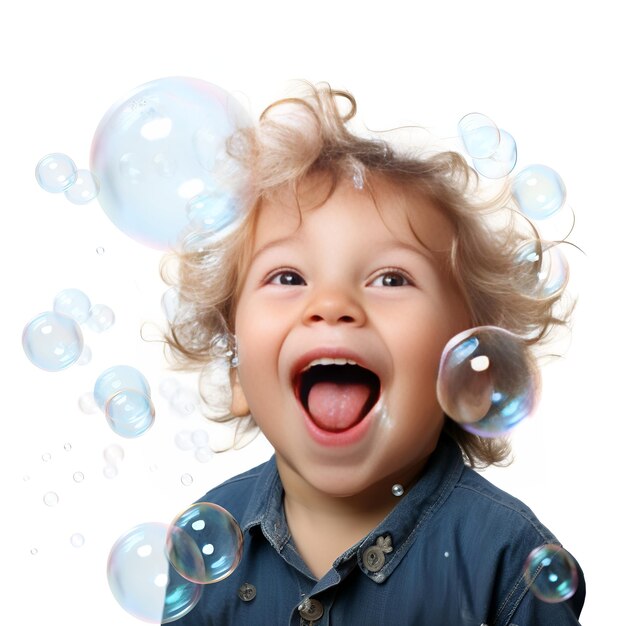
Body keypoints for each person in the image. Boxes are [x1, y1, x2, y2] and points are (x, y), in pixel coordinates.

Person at [161, 83, 585, 625]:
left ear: (470, 370)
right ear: (237, 372)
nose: (333, 305)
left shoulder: (506, 560)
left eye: (391, 278)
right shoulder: (205, 541)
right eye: (288, 276)